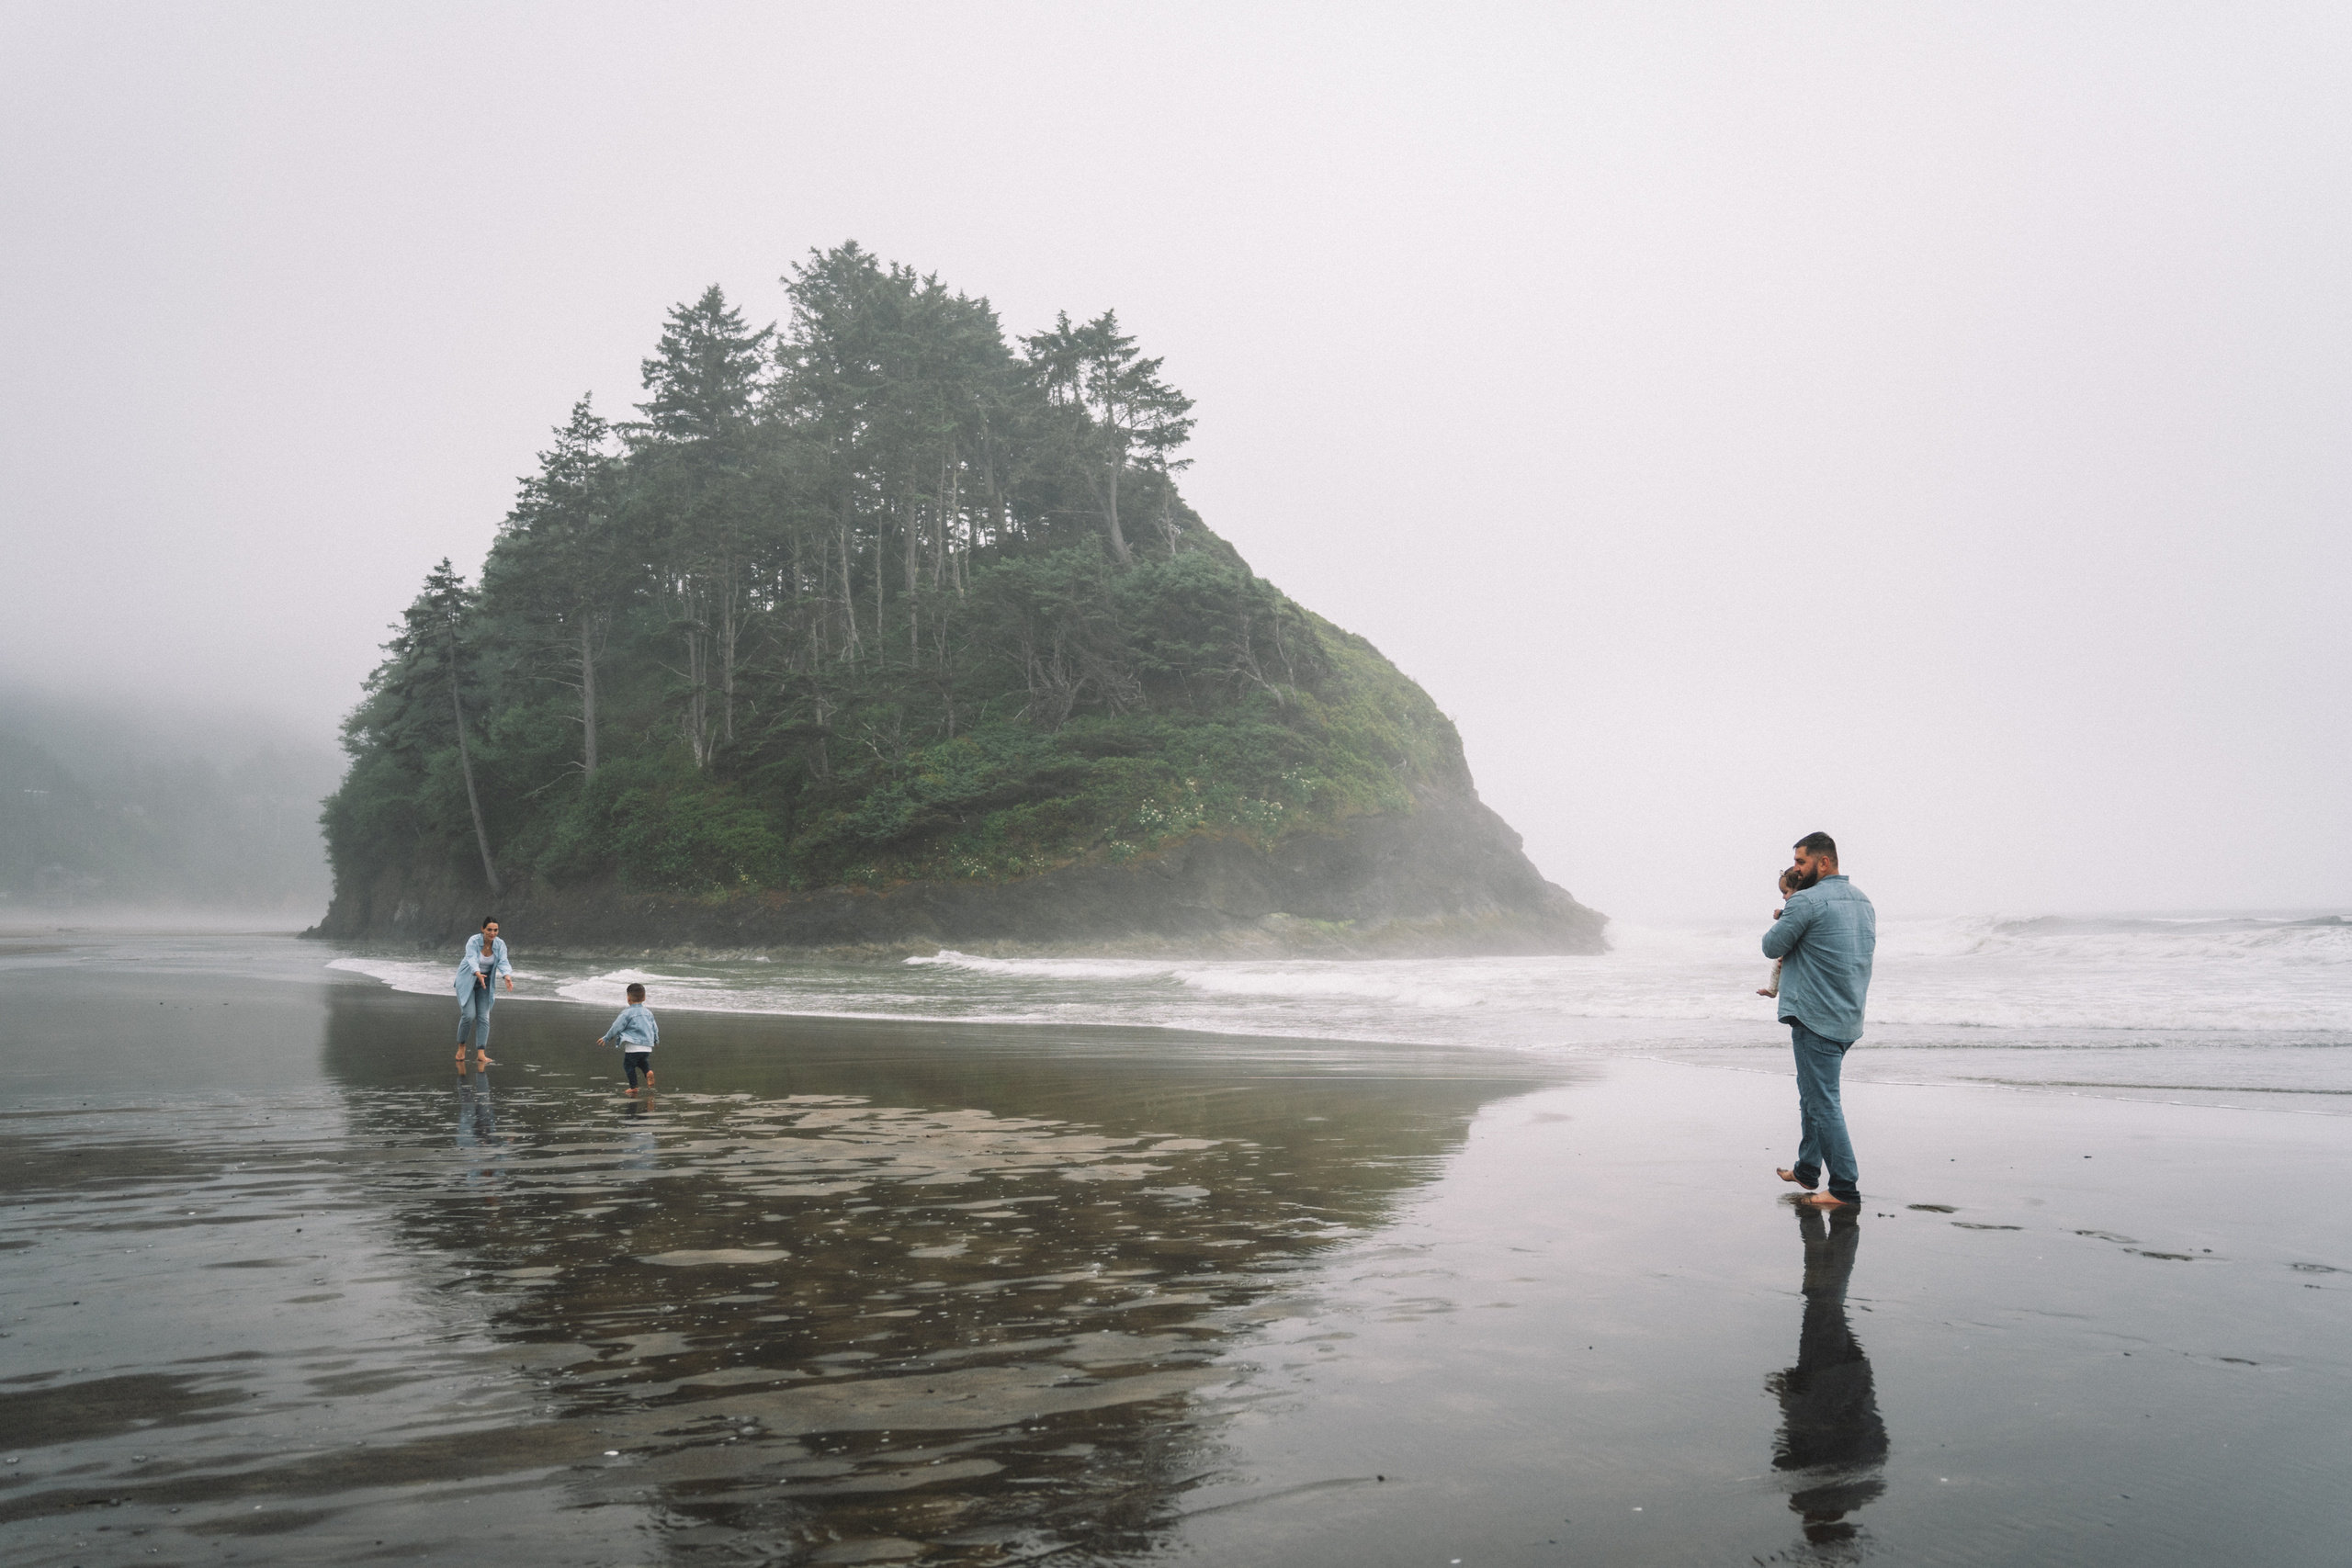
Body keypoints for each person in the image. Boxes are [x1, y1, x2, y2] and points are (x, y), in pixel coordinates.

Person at [1762, 832, 1876, 1209]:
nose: (1794, 870)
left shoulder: (1806, 901)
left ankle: (1844, 1188)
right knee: (1812, 1094)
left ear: (1823, 863)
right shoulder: (1863, 901)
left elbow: (1771, 947)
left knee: (1823, 1101)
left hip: (1815, 1017)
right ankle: (1808, 1170)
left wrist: (1787, 916)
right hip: (1848, 1016)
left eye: (1800, 862)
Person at [453, 917, 513, 1072]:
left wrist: (507, 976)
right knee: (469, 1015)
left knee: (484, 1018)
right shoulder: (473, 941)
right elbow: (472, 959)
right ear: (483, 929)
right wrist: (477, 973)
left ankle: (481, 1053)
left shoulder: (500, 945)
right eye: (489, 930)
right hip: (467, 980)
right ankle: (462, 1047)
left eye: (495, 930)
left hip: (485, 984)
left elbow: (504, 962)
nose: (492, 933)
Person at [599, 982, 660, 1096]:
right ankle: (648, 1072)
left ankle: (634, 1087)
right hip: (647, 1046)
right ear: (644, 998)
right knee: (643, 1062)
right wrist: (656, 1040)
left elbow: (616, 1027)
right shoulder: (648, 1013)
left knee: (628, 1065)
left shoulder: (627, 1013)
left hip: (633, 1045)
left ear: (628, 998)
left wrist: (607, 1038)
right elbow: (654, 1028)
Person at [1757, 867, 1803, 998]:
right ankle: (1772, 988)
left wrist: (1781, 914)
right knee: (1778, 963)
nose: (1783, 896)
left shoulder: (1797, 904)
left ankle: (1772, 989)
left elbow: (1794, 919)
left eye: (1785, 892)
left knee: (1778, 963)